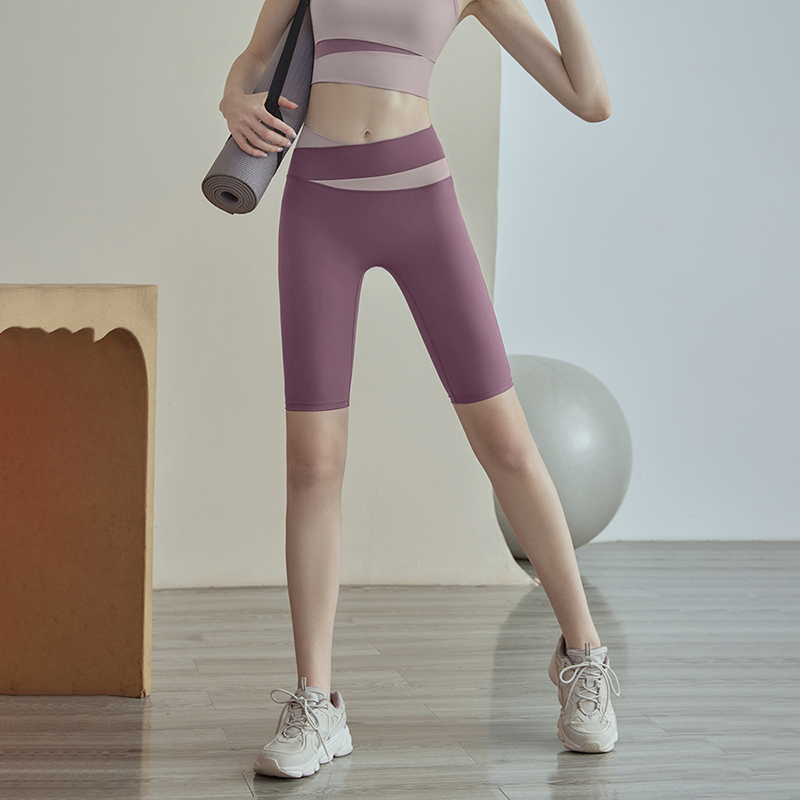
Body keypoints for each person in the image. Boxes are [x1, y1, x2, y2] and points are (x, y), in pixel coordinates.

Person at [218, 0, 618, 778]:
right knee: (312, 461)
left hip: (419, 198)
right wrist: (233, 96)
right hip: (319, 205)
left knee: (507, 444)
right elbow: (255, 57)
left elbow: (590, 98)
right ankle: (316, 702)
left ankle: (584, 655)